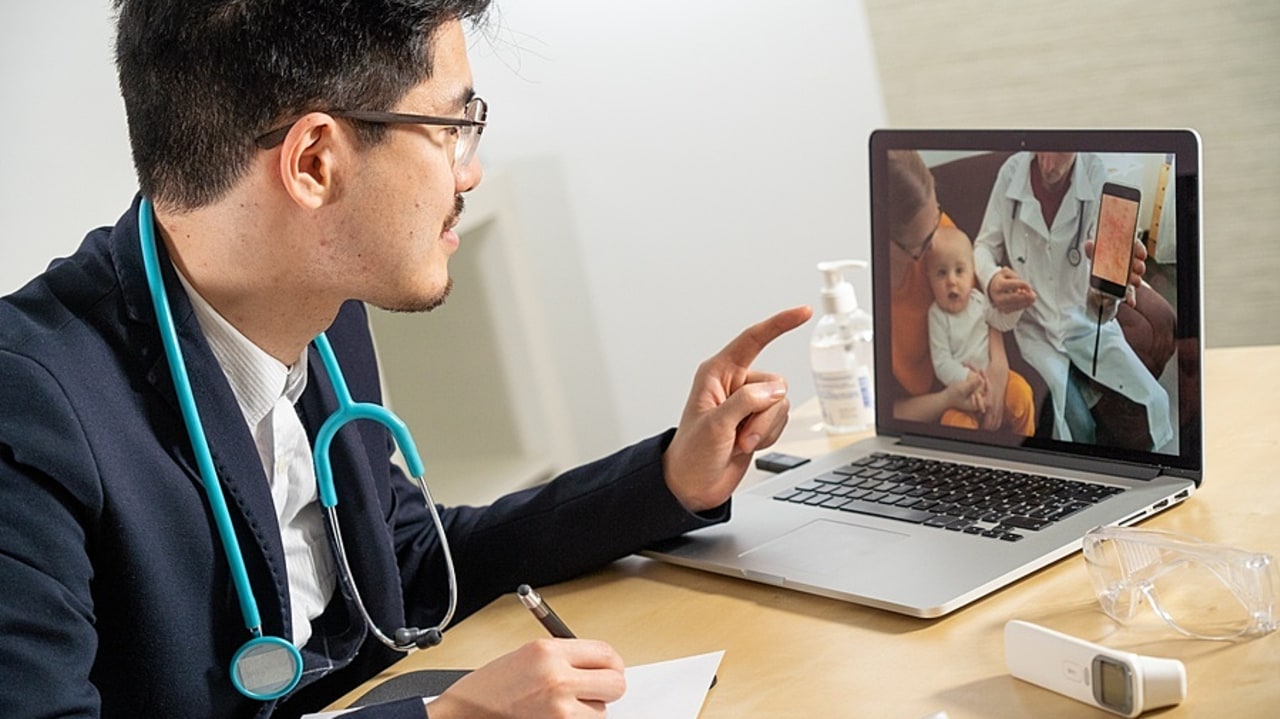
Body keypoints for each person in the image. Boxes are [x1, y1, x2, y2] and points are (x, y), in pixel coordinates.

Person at [0, 2, 813, 717]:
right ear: (316, 162)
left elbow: (407, 564)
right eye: (452, 127)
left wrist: (671, 478)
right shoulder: (29, 406)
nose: (472, 169)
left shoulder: (321, 306)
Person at [973, 151, 1173, 450]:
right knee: (1077, 421)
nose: (1049, 166)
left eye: (1061, 153)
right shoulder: (1011, 172)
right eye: (1043, 151)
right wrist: (991, 279)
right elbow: (983, 247)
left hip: (1083, 319)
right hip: (1034, 323)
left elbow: (1102, 284)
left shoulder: (1094, 174)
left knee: (1157, 399)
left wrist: (1107, 295)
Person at [884, 149, 992, 424]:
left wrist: (999, 367)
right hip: (931, 408)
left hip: (978, 376)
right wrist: (947, 399)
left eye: (937, 217)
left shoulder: (935, 229)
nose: (935, 247)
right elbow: (885, 414)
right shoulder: (872, 298)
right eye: (921, 243)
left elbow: (981, 304)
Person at [924, 226, 1035, 436]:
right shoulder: (936, 316)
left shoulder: (979, 301)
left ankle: (1026, 444)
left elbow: (1001, 321)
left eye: (959, 271)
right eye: (941, 273)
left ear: (972, 274)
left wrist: (1018, 305)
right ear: (929, 279)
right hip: (961, 392)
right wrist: (969, 380)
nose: (951, 281)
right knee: (953, 422)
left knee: (1022, 394)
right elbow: (942, 363)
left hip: (995, 378)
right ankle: (972, 463)